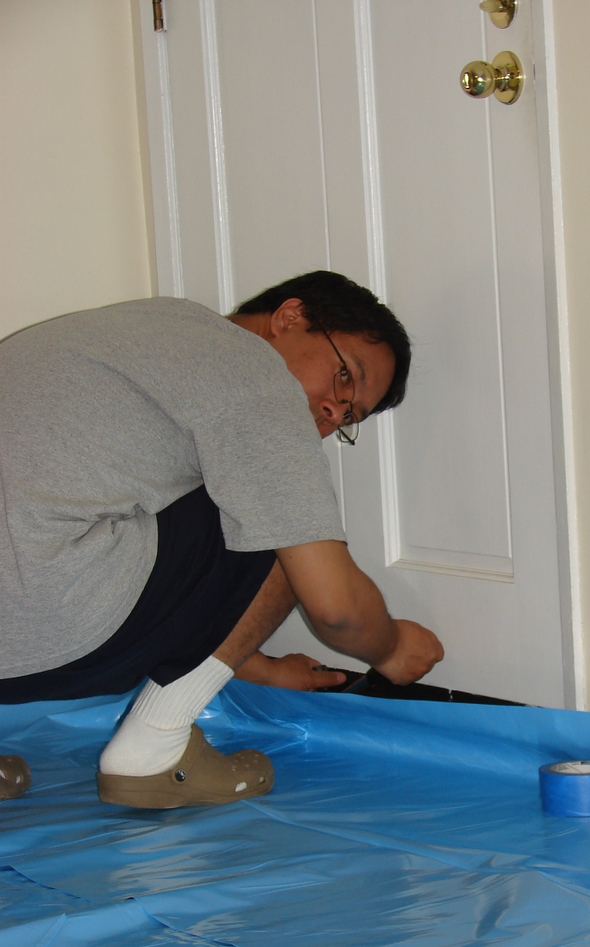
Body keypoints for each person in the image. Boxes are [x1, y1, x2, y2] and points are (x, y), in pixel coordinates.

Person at [0, 271, 443, 809]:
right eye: (344, 375)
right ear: (289, 317)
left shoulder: (153, 330)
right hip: (38, 623)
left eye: (351, 415)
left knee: (253, 499)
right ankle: (153, 752)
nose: (334, 410)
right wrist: (391, 647)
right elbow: (337, 611)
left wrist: (263, 669)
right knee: (292, 521)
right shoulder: (253, 374)